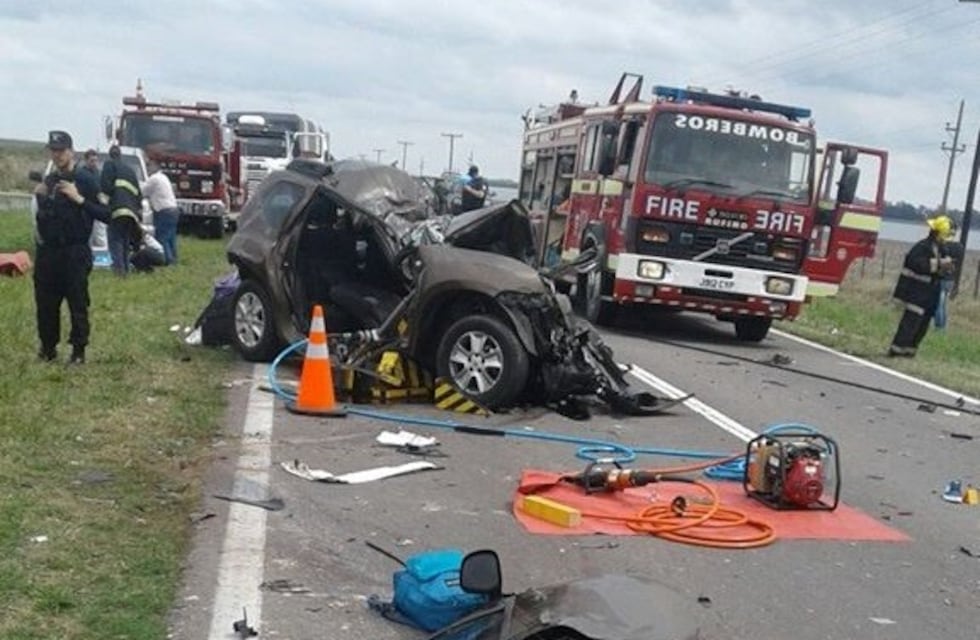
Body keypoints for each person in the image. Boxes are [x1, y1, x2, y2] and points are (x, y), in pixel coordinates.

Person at [33, 130, 111, 364]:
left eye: (61, 150)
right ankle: (48, 348)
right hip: (48, 252)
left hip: (74, 251)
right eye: (53, 151)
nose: (57, 155)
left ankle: (78, 351)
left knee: (77, 302)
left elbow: (106, 214)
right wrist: (40, 197)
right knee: (46, 303)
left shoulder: (86, 179)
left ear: (71, 151)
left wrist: (80, 199)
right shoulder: (50, 180)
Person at [888, 215, 956, 357]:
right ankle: (896, 350)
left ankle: (910, 351)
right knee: (911, 322)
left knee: (923, 324)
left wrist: (948, 267)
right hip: (916, 291)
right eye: (945, 236)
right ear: (938, 234)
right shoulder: (922, 247)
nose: (946, 239)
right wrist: (939, 264)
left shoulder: (942, 248)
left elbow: (943, 268)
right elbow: (918, 265)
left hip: (931, 293)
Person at [100, 145, 143, 275]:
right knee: (125, 241)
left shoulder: (109, 165)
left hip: (117, 209)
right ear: (120, 155)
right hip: (132, 212)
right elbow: (138, 194)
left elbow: (106, 187)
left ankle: (119, 271)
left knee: (115, 239)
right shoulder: (130, 170)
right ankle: (126, 269)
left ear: (110, 155)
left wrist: (104, 205)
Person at [142, 159, 180, 265]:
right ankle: (174, 259)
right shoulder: (164, 177)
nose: (148, 169)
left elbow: (143, 191)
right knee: (171, 237)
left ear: (155, 166)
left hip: (164, 211)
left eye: (149, 166)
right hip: (174, 209)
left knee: (161, 237)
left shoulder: (154, 179)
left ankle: (167, 260)